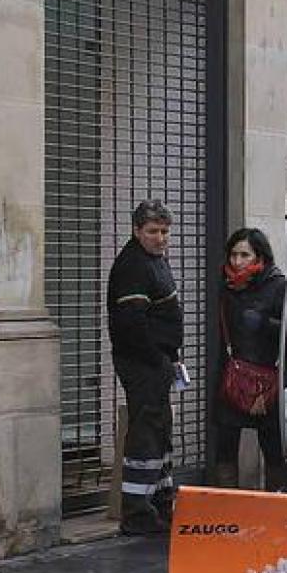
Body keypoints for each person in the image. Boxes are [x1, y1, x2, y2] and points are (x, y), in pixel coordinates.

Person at [109, 200, 184, 536]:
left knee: (159, 432)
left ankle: (160, 501)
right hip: (143, 364)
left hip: (157, 361)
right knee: (146, 435)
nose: (160, 238)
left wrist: (171, 358)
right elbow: (132, 325)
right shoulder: (133, 266)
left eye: (165, 231)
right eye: (153, 231)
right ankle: (137, 513)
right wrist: (157, 359)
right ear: (137, 231)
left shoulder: (154, 261)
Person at [213, 228, 287, 490]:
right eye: (234, 255)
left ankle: (275, 499)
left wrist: (265, 323)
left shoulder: (277, 285)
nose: (237, 261)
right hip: (234, 376)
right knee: (225, 443)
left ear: (260, 256)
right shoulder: (226, 285)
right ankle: (228, 500)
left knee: (272, 445)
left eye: (245, 255)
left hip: (267, 377)